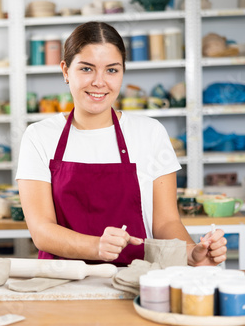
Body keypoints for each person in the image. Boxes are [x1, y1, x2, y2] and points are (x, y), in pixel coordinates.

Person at [16, 22, 227, 267]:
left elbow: (166, 222)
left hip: (136, 281)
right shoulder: (39, 136)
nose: (99, 82)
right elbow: (42, 231)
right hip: (63, 284)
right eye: (86, 69)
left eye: (112, 70)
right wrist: (96, 247)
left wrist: (191, 253)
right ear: (65, 70)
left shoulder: (150, 133)